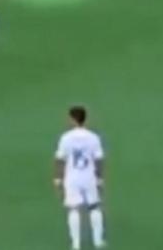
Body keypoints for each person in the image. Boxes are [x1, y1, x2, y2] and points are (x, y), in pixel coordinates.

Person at [54, 106, 105, 249]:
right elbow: (98, 159)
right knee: (94, 207)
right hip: (89, 176)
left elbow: (60, 159)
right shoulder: (93, 137)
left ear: (72, 119)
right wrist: (100, 177)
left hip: (72, 178)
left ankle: (75, 244)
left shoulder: (66, 137)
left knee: (73, 209)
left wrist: (58, 178)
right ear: (84, 119)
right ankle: (98, 241)